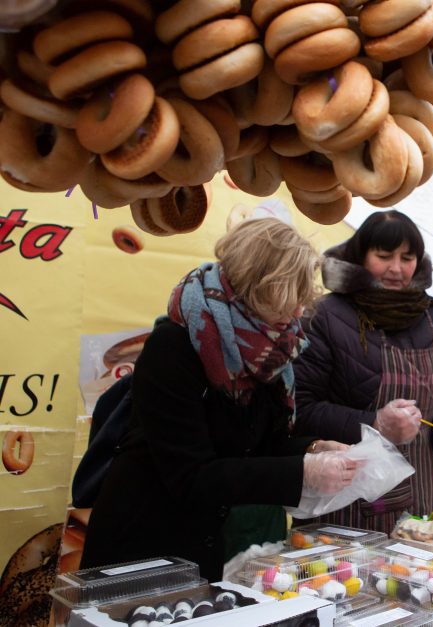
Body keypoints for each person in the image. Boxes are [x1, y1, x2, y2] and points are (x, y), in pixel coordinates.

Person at [81, 218, 360, 581]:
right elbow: (192, 476)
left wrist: (313, 448)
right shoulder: (175, 348)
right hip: (139, 546)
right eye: (290, 295)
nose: (297, 313)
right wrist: (301, 472)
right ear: (258, 287)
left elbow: (261, 444)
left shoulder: (272, 350)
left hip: (202, 546)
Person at [293, 209, 433, 534]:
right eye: (384, 256)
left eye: (407, 257)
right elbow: (301, 410)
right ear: (361, 256)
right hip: (346, 506)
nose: (396, 268)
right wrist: (375, 422)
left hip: (425, 497)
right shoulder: (325, 317)